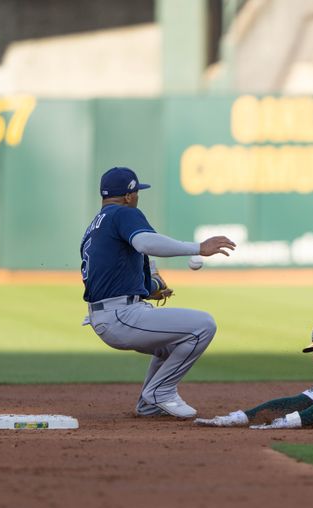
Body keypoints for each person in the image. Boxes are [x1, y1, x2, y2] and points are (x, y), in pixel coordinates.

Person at [80, 166, 235, 419]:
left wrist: (150, 288)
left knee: (171, 344)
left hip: (110, 313)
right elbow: (144, 242)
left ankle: (148, 404)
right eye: (137, 192)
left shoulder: (96, 226)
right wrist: (198, 247)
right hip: (120, 315)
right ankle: (160, 392)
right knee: (203, 325)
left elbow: (109, 275)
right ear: (129, 195)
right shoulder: (124, 213)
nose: (138, 197)